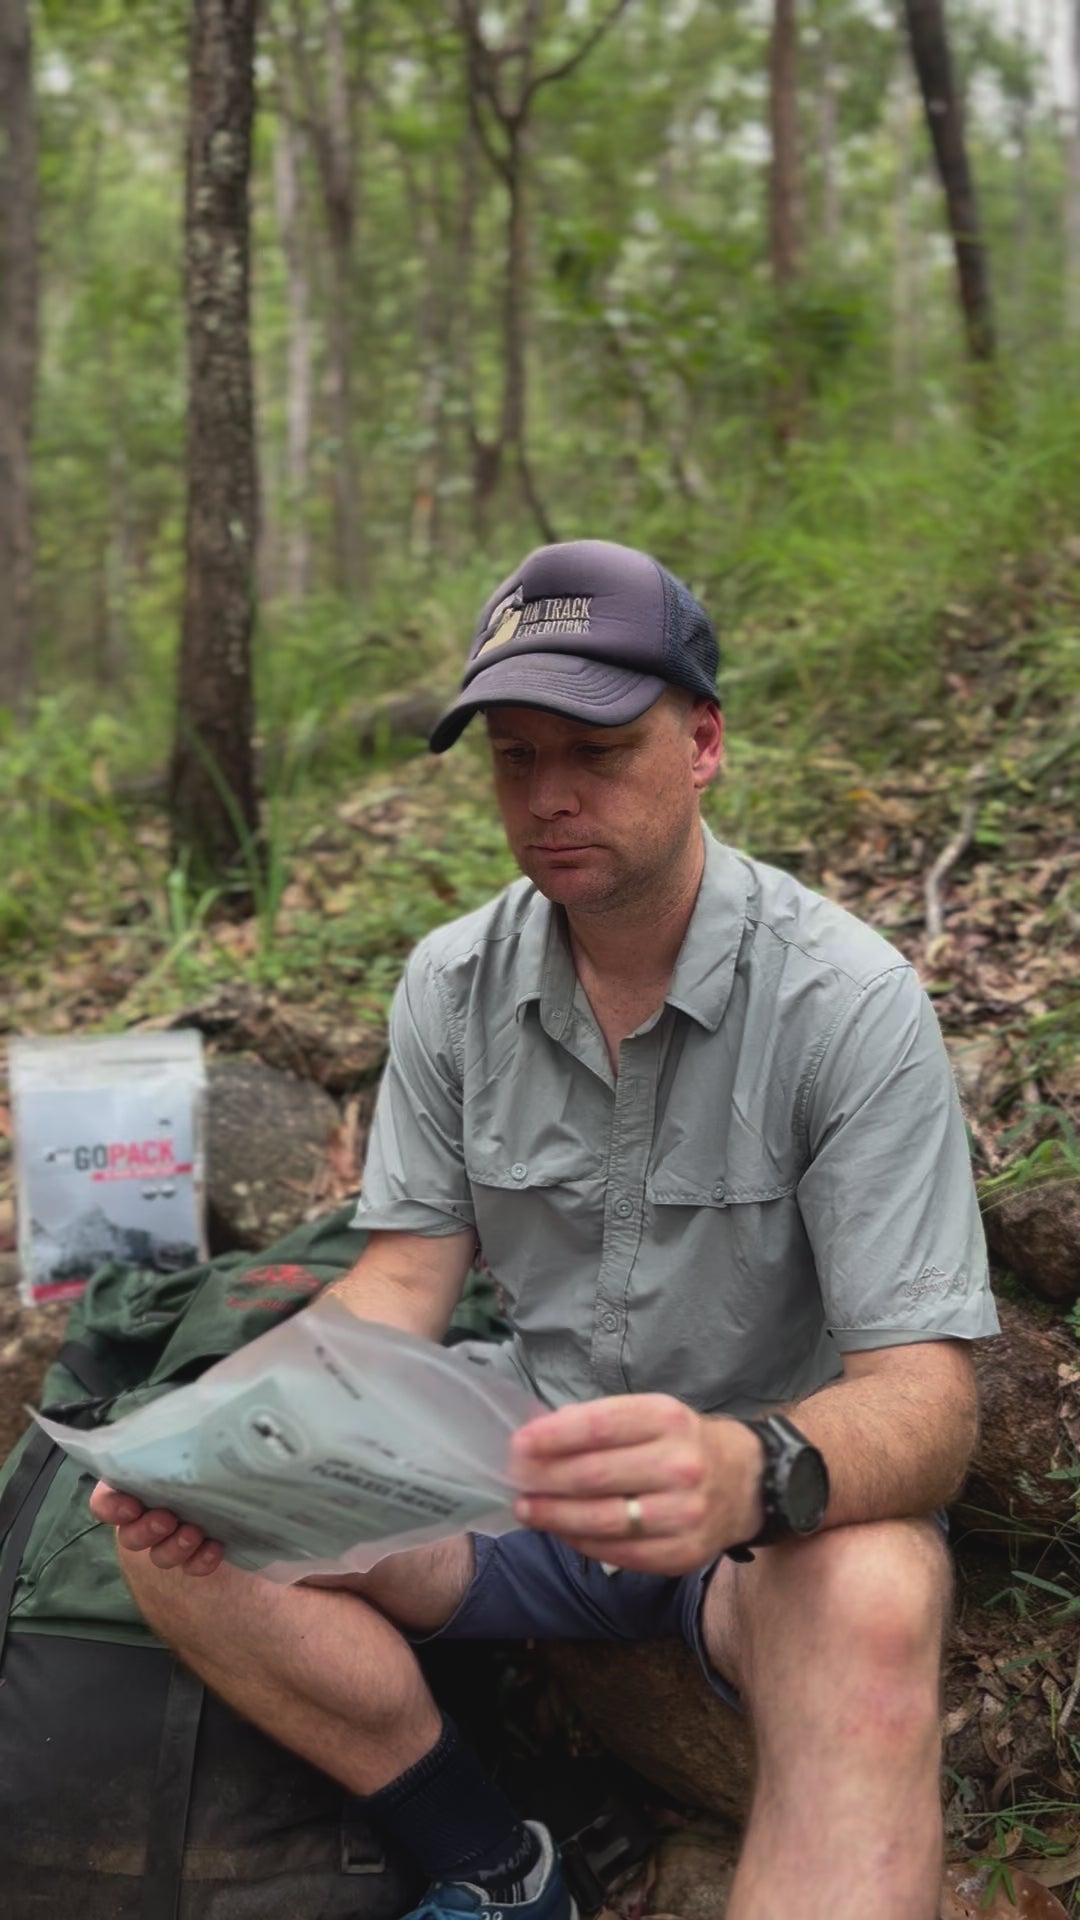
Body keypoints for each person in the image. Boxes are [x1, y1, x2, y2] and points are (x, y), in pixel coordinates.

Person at [91, 538, 999, 1920]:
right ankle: (496, 1863)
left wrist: (748, 1467)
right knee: (187, 1534)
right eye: (516, 757)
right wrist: (208, 1440)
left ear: (703, 743)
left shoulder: (846, 1003)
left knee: (878, 1593)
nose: (551, 796)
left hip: (761, 1504)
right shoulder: (454, 982)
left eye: (596, 748)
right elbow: (400, 1284)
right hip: (525, 1465)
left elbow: (928, 1399)